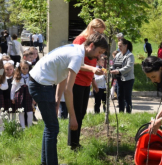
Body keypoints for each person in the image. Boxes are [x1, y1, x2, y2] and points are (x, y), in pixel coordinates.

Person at [28, 33, 108, 165]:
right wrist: (73, 116)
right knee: (53, 128)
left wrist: (56, 101)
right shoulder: (77, 56)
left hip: (40, 82)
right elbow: (68, 90)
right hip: (41, 85)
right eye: (99, 52)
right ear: (91, 45)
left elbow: (64, 74)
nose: (98, 56)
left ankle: (45, 162)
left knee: (50, 126)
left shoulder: (77, 50)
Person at [68, 18, 106, 150]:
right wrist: (92, 70)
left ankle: (75, 141)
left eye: (102, 34)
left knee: (82, 112)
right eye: (98, 32)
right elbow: (75, 64)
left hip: (87, 81)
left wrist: (93, 81)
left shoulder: (95, 44)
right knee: (76, 112)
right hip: (77, 80)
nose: (100, 36)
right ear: (91, 28)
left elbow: (92, 63)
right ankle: (73, 144)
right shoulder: (80, 41)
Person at [111, 39, 134, 113]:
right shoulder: (117, 55)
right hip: (119, 79)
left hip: (128, 80)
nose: (119, 47)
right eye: (118, 46)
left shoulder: (130, 55)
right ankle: (121, 113)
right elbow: (113, 64)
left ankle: (128, 113)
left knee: (127, 97)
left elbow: (129, 66)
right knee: (119, 96)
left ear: (125, 46)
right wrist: (110, 69)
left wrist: (119, 71)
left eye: (120, 46)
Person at [11, 61, 34, 129]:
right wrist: (12, 98)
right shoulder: (17, 77)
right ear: (20, 68)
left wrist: (34, 98)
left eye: (26, 68)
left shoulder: (31, 76)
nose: (25, 70)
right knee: (21, 112)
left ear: (29, 68)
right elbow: (13, 88)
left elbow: (33, 87)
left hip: (28, 95)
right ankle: (23, 127)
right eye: (23, 68)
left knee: (30, 112)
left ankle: (30, 127)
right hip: (19, 95)